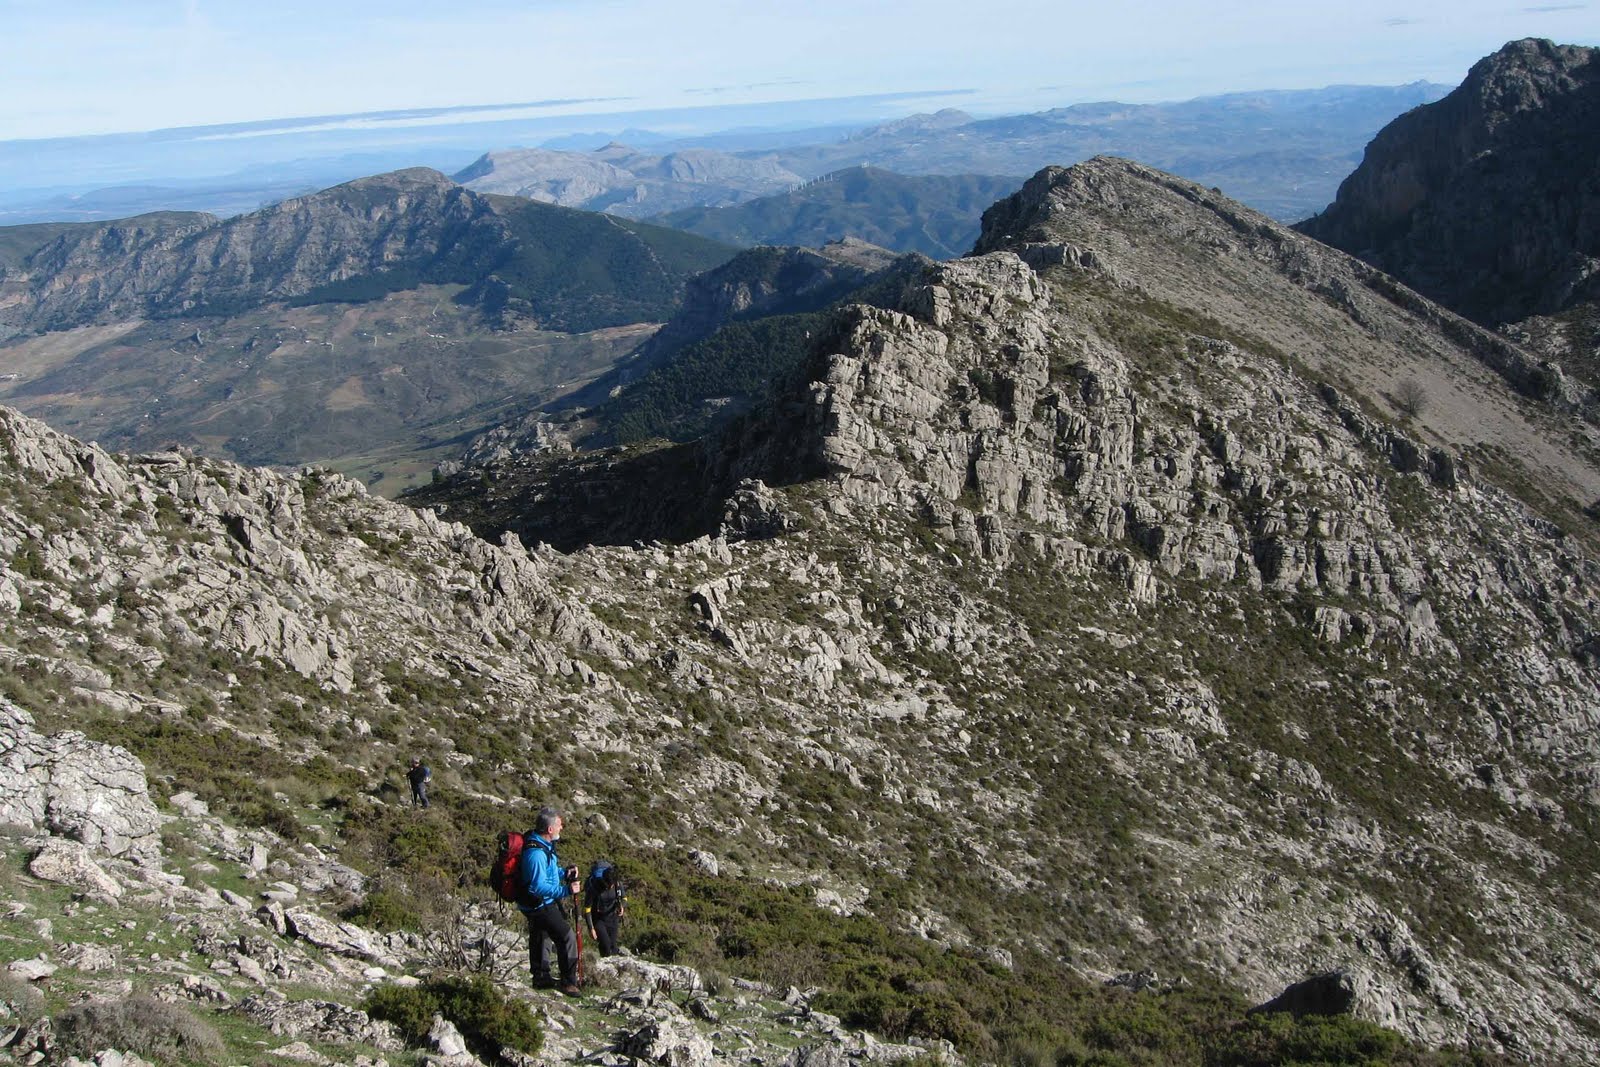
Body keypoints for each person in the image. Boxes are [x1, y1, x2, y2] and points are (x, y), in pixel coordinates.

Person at [518, 806, 581, 996]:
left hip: (537, 902)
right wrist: (565, 890)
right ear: (550, 829)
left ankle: (541, 977)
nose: (562, 828)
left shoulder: (544, 846)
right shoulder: (536, 853)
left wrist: (564, 873)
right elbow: (537, 886)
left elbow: (549, 873)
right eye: (559, 825)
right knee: (566, 936)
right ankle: (568, 982)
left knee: (541, 935)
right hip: (538, 903)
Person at [584, 862, 625, 957]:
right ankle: (605, 961)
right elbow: (587, 909)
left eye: (612, 885)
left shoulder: (617, 884)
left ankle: (611, 962)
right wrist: (591, 928)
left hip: (612, 917)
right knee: (606, 945)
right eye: (608, 884)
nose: (610, 887)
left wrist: (622, 906)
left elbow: (624, 898)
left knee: (613, 946)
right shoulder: (594, 887)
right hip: (598, 918)